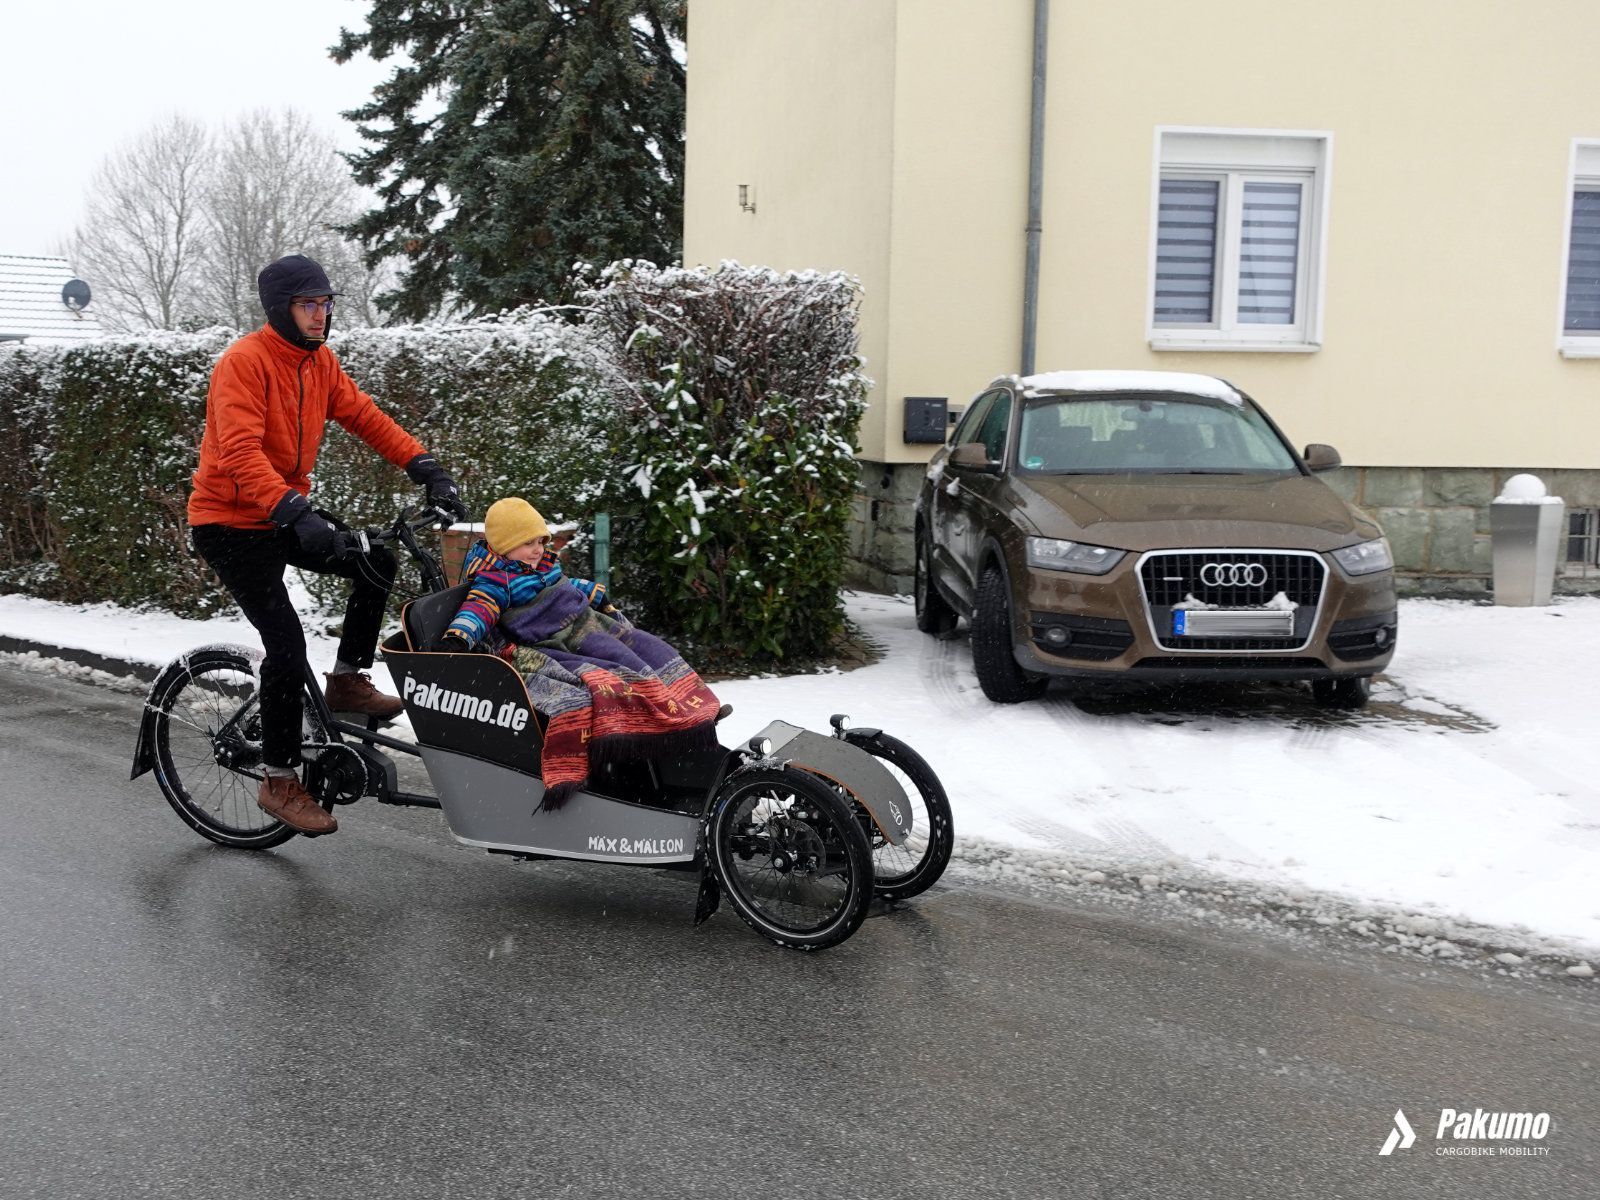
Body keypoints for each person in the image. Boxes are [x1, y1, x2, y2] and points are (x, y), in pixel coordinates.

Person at [188, 254, 468, 837]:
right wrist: (294, 509)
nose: (321, 315)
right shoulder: (243, 363)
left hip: (281, 512)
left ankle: (345, 679)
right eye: (308, 304)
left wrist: (427, 466)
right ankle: (279, 778)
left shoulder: (320, 364)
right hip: (229, 523)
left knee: (376, 558)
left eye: (326, 303)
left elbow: (365, 417)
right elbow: (238, 453)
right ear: (280, 310)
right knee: (286, 647)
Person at [433, 498, 722, 809]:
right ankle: (660, 720)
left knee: (652, 649)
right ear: (504, 546)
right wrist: (459, 637)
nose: (537, 548)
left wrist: (594, 593)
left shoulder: (541, 566)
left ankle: (690, 714)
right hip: (554, 641)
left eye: (540, 541)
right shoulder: (495, 581)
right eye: (527, 542)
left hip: (584, 625)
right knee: (614, 671)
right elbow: (478, 610)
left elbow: (565, 585)